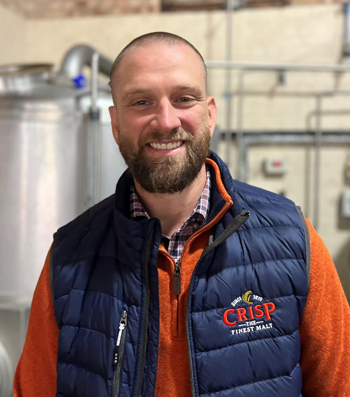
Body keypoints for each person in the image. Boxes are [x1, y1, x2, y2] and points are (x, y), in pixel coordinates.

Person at [14, 32, 350, 397]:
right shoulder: (69, 258)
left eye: (183, 99)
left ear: (209, 114)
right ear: (115, 123)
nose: (166, 120)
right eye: (141, 101)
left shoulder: (293, 241)